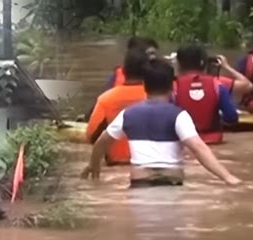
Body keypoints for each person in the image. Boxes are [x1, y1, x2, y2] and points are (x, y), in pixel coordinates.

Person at [81, 59, 242, 187]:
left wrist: (94, 166)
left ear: (145, 86)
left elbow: (101, 142)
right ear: (172, 86)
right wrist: (228, 177)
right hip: (171, 182)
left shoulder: (128, 115)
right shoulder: (179, 116)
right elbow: (199, 149)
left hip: (140, 183)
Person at [86, 48, 148, 165]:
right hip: (148, 165)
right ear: (148, 72)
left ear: (123, 71)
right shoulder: (157, 99)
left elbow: (92, 136)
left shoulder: (106, 99)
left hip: (115, 164)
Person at [174, 44, 242, 144]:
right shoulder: (218, 85)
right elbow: (231, 118)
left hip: (184, 142)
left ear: (179, 64)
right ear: (204, 63)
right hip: (213, 140)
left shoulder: (172, 87)